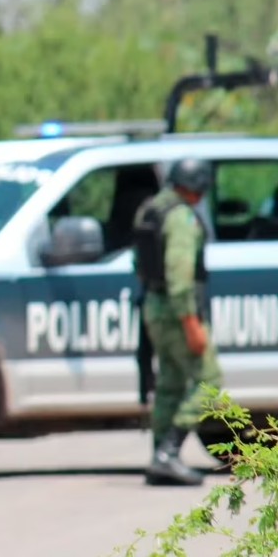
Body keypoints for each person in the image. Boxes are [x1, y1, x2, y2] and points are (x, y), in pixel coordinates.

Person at [131, 157, 222, 487]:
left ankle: (160, 457)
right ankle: (169, 452)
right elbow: (180, 274)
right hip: (177, 311)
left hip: (154, 307)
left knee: (169, 383)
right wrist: (191, 323)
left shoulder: (152, 210)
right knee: (208, 381)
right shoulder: (181, 217)